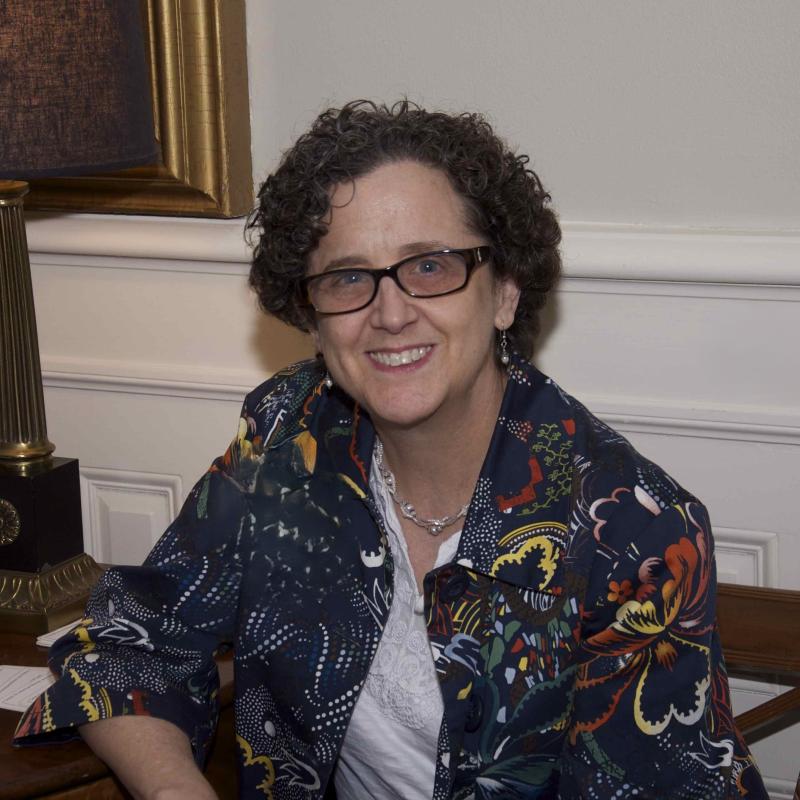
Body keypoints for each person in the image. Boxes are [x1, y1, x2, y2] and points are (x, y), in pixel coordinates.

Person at [14, 100, 767, 799]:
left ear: (503, 290)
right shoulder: (290, 435)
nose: (390, 312)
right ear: (312, 314)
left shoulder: (633, 533)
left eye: (430, 266)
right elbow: (127, 645)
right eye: (348, 278)